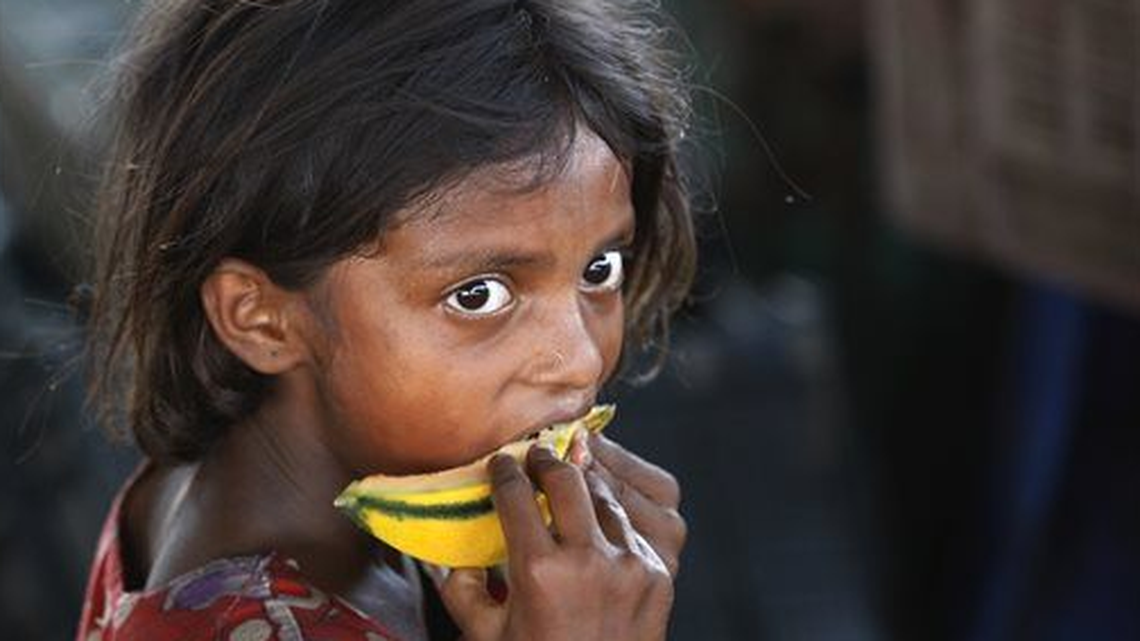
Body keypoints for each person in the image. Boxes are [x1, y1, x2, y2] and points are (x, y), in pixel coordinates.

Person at [77, 0, 697, 639]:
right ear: (261, 319)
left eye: (600, 271)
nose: (581, 361)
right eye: (478, 295)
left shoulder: (288, 482)